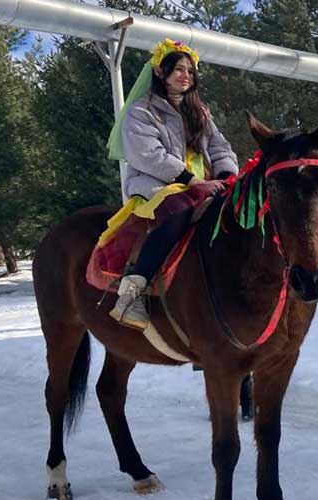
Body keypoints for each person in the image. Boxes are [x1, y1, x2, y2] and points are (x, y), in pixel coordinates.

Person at [105, 39, 238, 329]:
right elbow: (149, 155)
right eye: (178, 69)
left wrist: (227, 176)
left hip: (204, 182)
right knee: (178, 210)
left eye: (190, 71)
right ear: (160, 72)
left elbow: (220, 147)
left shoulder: (200, 112)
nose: (185, 76)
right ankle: (133, 291)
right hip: (156, 184)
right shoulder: (141, 112)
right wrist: (191, 182)